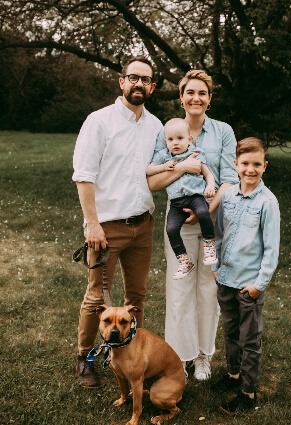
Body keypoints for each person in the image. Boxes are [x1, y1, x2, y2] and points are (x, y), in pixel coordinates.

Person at [72, 56, 162, 388]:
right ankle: (85, 358)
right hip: (106, 228)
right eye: (133, 77)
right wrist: (91, 223)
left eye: (146, 80)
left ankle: (127, 354)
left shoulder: (156, 126)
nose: (139, 84)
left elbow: (157, 173)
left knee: (136, 296)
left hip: (143, 225)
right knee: (98, 298)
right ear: (121, 81)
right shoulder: (99, 122)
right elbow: (83, 176)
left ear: (151, 87)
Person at [147, 70, 239, 380]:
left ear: (209, 98)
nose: (196, 98)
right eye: (190, 92)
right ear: (181, 97)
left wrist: (205, 210)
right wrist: (183, 167)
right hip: (179, 223)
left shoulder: (223, 131)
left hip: (212, 221)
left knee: (207, 289)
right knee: (179, 289)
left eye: (202, 93)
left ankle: (202, 356)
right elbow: (154, 179)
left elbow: (230, 179)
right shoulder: (168, 130)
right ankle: (178, 358)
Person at [211, 137, 280, 414]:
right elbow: (218, 233)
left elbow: (271, 249)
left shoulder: (267, 202)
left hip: (248, 285)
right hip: (226, 279)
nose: (250, 170)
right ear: (236, 164)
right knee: (230, 332)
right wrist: (216, 266)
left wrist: (258, 285)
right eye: (245, 164)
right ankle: (233, 376)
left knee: (249, 339)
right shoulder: (227, 196)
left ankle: (248, 393)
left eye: (256, 164)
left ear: (264, 166)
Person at [146, 118, 218, 280]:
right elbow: (149, 170)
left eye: (180, 138)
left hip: (195, 197)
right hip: (176, 203)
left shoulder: (196, 153)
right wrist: (163, 167)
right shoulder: (164, 156)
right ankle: (184, 260)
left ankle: (209, 244)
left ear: (189, 139)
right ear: (166, 141)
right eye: (171, 140)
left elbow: (207, 174)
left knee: (202, 211)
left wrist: (210, 186)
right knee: (170, 228)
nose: (175, 143)